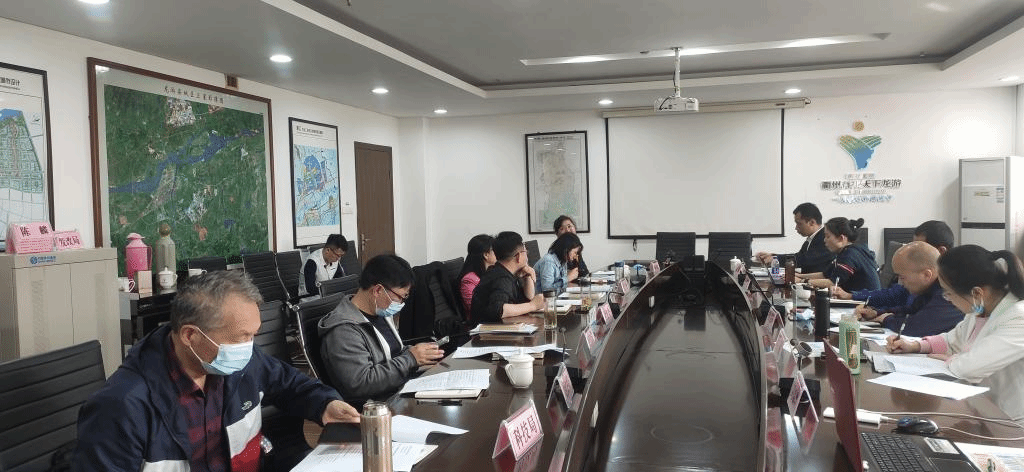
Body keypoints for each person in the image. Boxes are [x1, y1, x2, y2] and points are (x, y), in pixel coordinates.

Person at [73, 271, 359, 472]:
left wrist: (326, 405)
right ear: (190, 336)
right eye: (241, 337)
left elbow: (290, 384)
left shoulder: (242, 361)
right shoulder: (122, 407)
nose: (249, 347)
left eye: (253, 335)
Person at [887, 245, 1024, 424]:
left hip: (1011, 422)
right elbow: (953, 341)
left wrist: (952, 358)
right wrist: (916, 345)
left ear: (977, 293)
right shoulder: (980, 309)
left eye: (949, 293)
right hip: (982, 410)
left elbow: (969, 368)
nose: (948, 298)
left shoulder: (1018, 317)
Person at [319, 254, 445, 409]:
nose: (401, 303)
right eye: (401, 297)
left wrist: (421, 354)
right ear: (378, 290)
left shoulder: (380, 312)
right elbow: (361, 383)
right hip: (376, 408)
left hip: (398, 391)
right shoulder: (343, 331)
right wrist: (411, 358)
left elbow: (392, 352)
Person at [834, 220, 955, 305]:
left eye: (920, 246)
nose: (913, 251)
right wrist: (852, 296)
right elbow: (895, 296)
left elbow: (918, 321)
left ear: (941, 251)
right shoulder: (920, 280)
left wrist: (886, 318)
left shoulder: (951, 287)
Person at [856, 241, 963, 336]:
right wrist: (877, 313)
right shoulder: (931, 287)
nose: (901, 283)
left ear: (926, 275)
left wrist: (886, 319)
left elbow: (918, 327)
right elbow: (912, 310)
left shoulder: (950, 290)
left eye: (902, 277)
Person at [471, 231, 545, 322]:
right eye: (525, 252)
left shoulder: (504, 271)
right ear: (518, 256)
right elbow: (498, 310)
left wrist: (527, 277)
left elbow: (528, 299)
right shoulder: (501, 278)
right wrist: (532, 306)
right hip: (487, 330)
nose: (527, 255)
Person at [798, 217, 880, 292]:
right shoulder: (848, 251)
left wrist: (802, 281)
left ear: (841, 238)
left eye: (827, 236)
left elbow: (833, 282)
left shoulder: (850, 255)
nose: (824, 240)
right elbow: (824, 275)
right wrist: (799, 276)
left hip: (864, 302)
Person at [756, 202, 833, 274]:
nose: (796, 228)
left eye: (799, 223)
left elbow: (804, 260)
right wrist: (773, 256)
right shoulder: (811, 239)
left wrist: (775, 258)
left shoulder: (824, 238)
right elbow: (798, 257)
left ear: (812, 222)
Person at [458, 234, 496, 315]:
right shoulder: (469, 280)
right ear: (486, 255)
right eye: (495, 250)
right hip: (481, 321)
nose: (499, 253)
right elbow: (476, 309)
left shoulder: (491, 272)